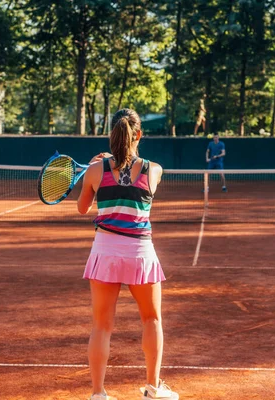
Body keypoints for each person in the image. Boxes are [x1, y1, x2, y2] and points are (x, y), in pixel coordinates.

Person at [78, 108, 179, 400]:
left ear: (111, 133)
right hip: (140, 254)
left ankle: (99, 394)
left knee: (101, 326)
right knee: (152, 320)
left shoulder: (95, 170)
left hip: (105, 253)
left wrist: (90, 172)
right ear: (139, 135)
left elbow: (83, 208)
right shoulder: (154, 170)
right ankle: (152, 388)